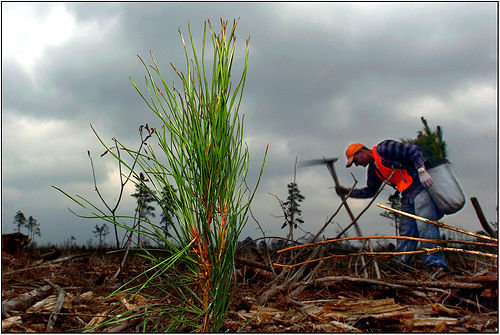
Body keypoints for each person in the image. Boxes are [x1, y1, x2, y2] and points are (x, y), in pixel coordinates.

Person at [336, 140, 449, 272]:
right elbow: (370, 191)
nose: (357, 164)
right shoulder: (374, 169)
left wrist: (422, 171)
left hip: (419, 187)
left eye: (355, 160)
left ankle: (436, 265)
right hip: (407, 195)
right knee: (407, 232)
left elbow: (412, 150)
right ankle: (401, 265)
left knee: (426, 226)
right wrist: (348, 192)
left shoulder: (384, 148)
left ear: (360, 152)